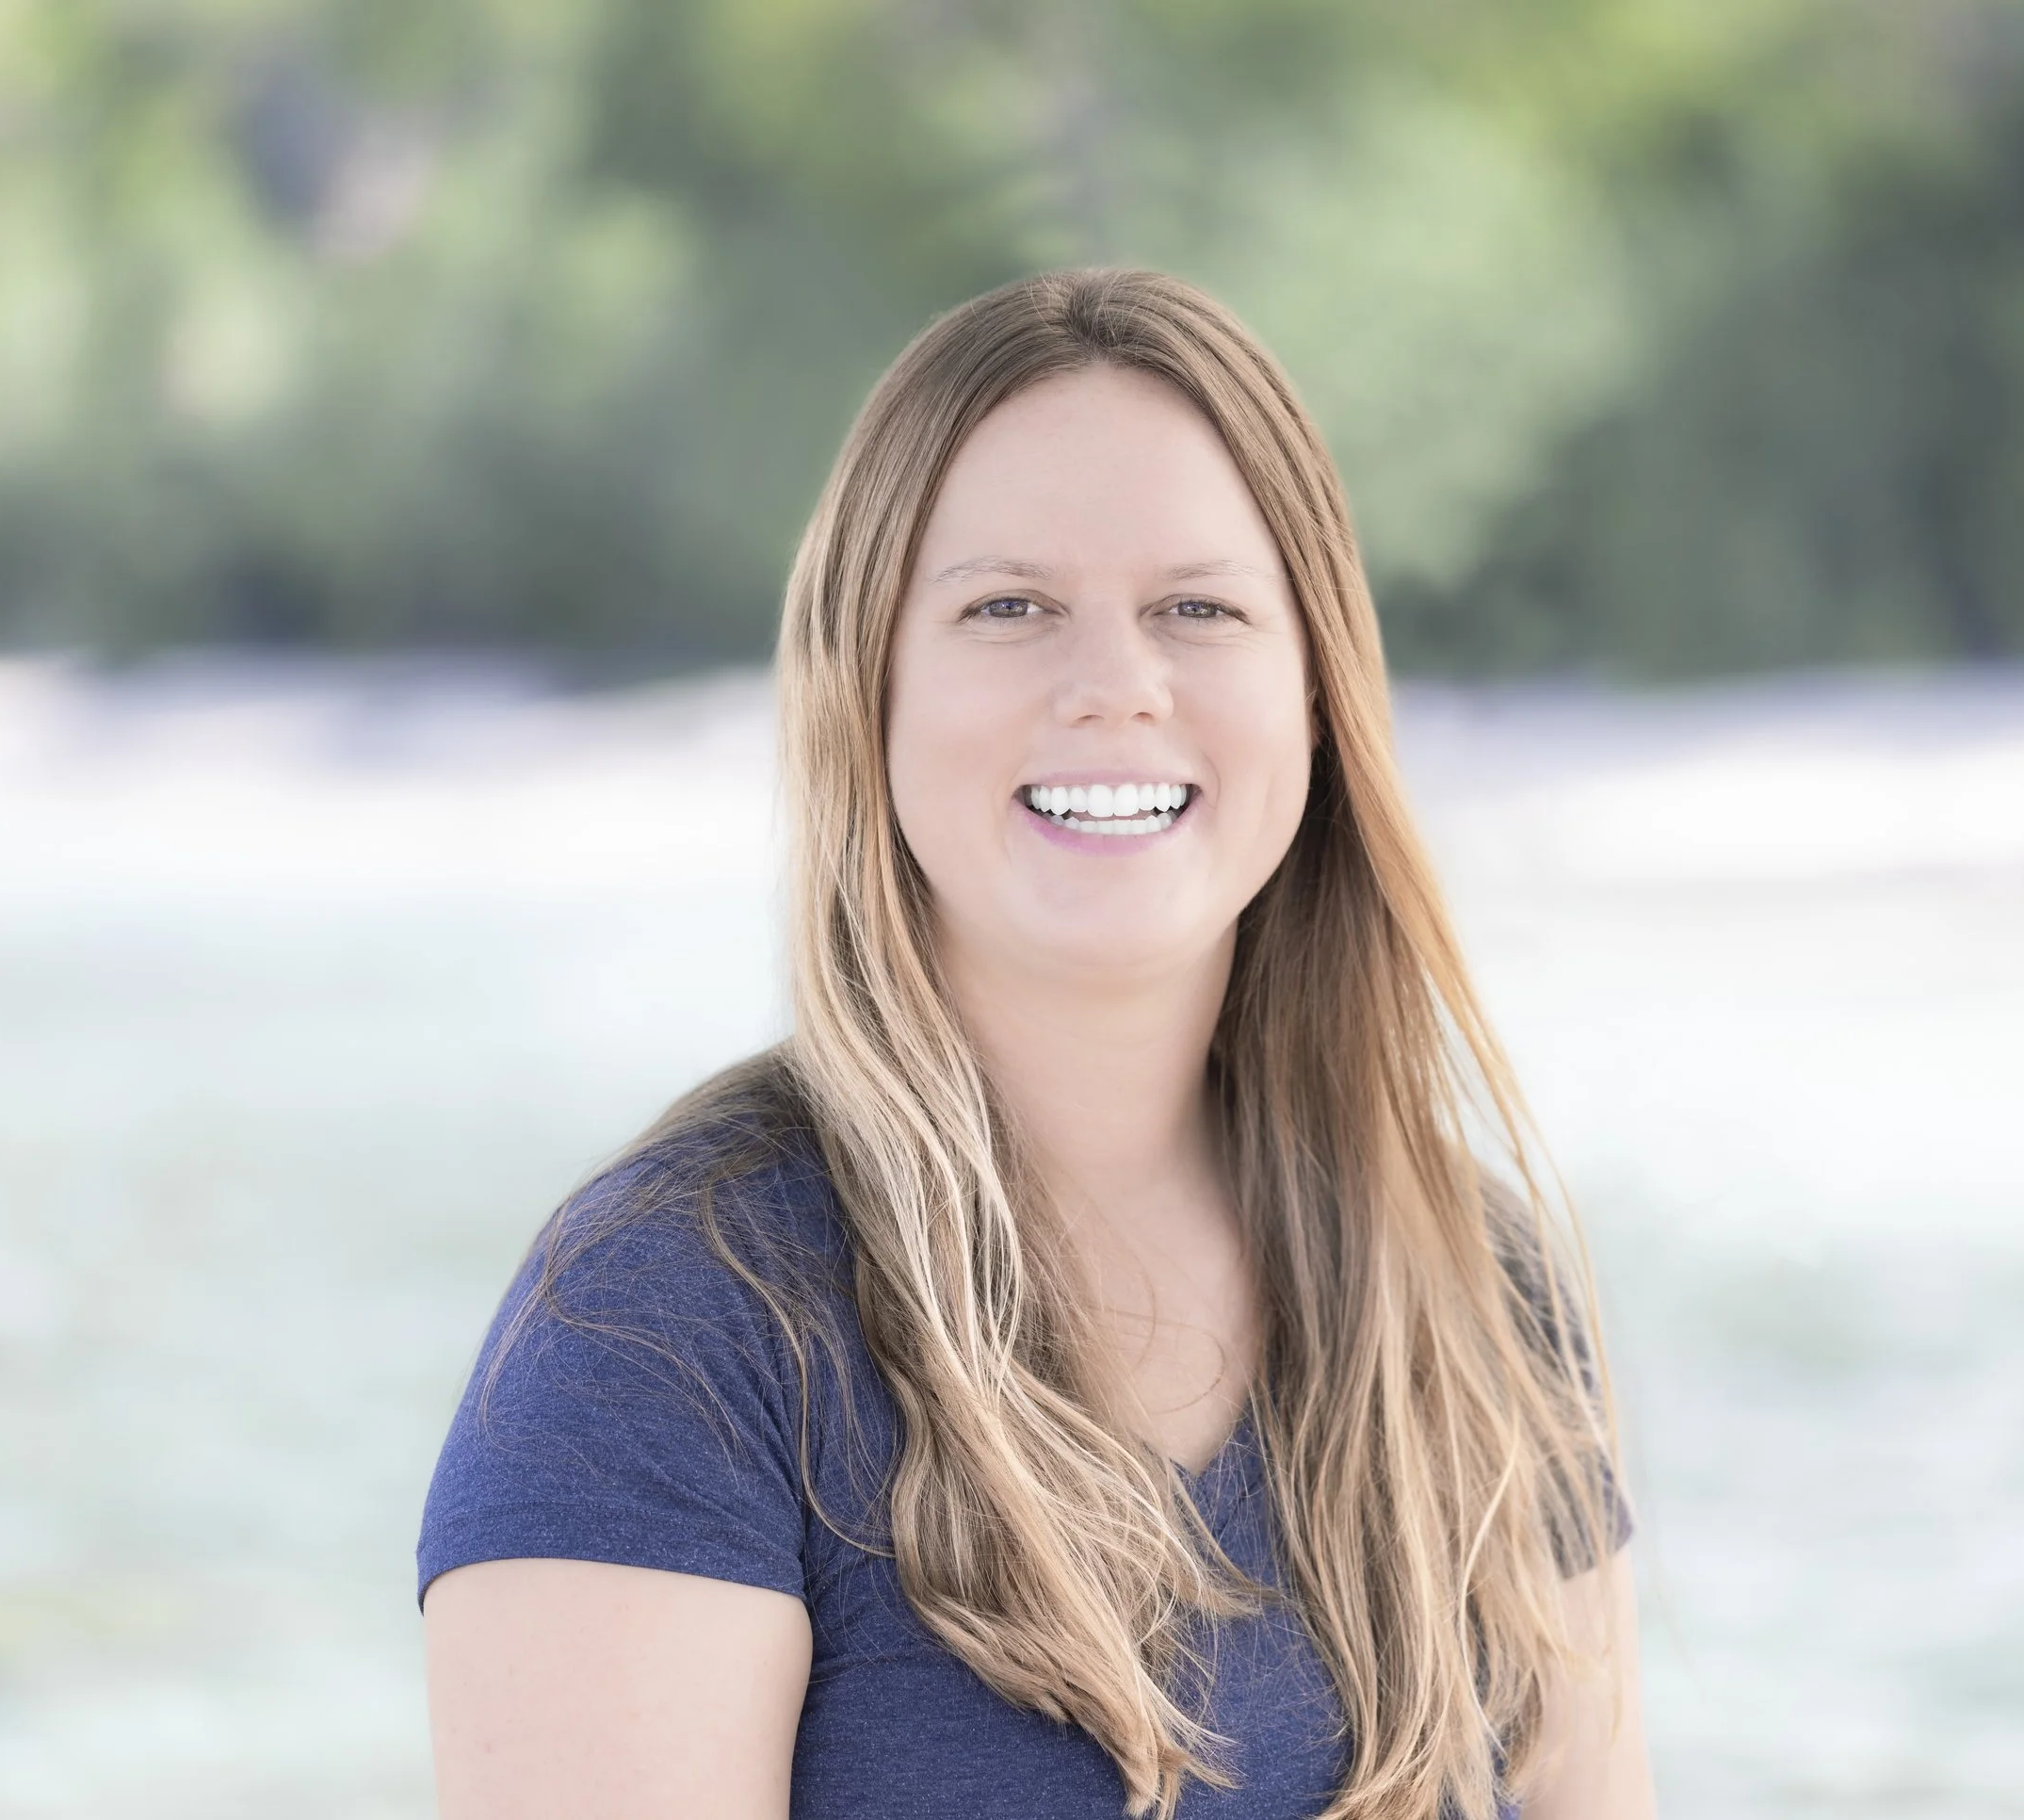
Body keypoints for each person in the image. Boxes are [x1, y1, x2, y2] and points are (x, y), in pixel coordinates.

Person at [417, 268, 1657, 1820]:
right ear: (867, 689)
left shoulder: (1476, 1284)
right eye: (1009, 608)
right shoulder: (665, 1329)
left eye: (1199, 609)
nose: (1115, 688)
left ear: (1316, 691)